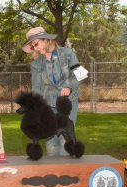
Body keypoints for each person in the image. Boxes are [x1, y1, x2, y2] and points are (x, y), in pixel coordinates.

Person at [22, 26, 81, 156]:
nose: (35, 48)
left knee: (66, 138)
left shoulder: (68, 53)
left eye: (36, 44)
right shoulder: (36, 64)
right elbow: (36, 89)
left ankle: (68, 173)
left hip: (69, 104)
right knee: (51, 144)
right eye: (33, 47)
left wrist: (69, 87)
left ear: (45, 39)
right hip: (48, 107)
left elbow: (80, 74)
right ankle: (53, 174)